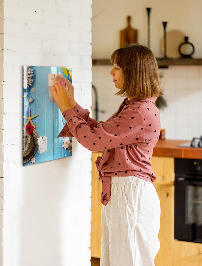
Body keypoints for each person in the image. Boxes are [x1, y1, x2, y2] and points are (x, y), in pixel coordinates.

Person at [50, 44, 162, 266]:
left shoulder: (139, 111)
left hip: (130, 197)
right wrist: (71, 104)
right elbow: (101, 133)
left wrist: (65, 108)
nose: (112, 73)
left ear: (133, 72)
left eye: (117, 67)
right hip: (125, 194)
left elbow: (93, 141)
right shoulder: (135, 106)